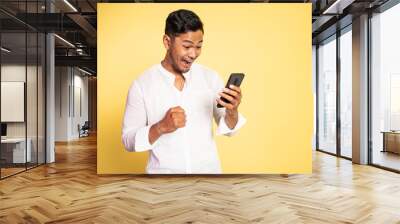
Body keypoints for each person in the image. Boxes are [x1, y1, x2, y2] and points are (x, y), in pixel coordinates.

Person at [122, 9, 246, 174]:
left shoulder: (211, 78)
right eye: (187, 46)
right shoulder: (142, 85)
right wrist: (160, 127)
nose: (193, 54)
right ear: (167, 42)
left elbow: (230, 130)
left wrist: (232, 112)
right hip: (163, 182)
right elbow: (128, 141)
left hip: (209, 178)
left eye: (199, 46)